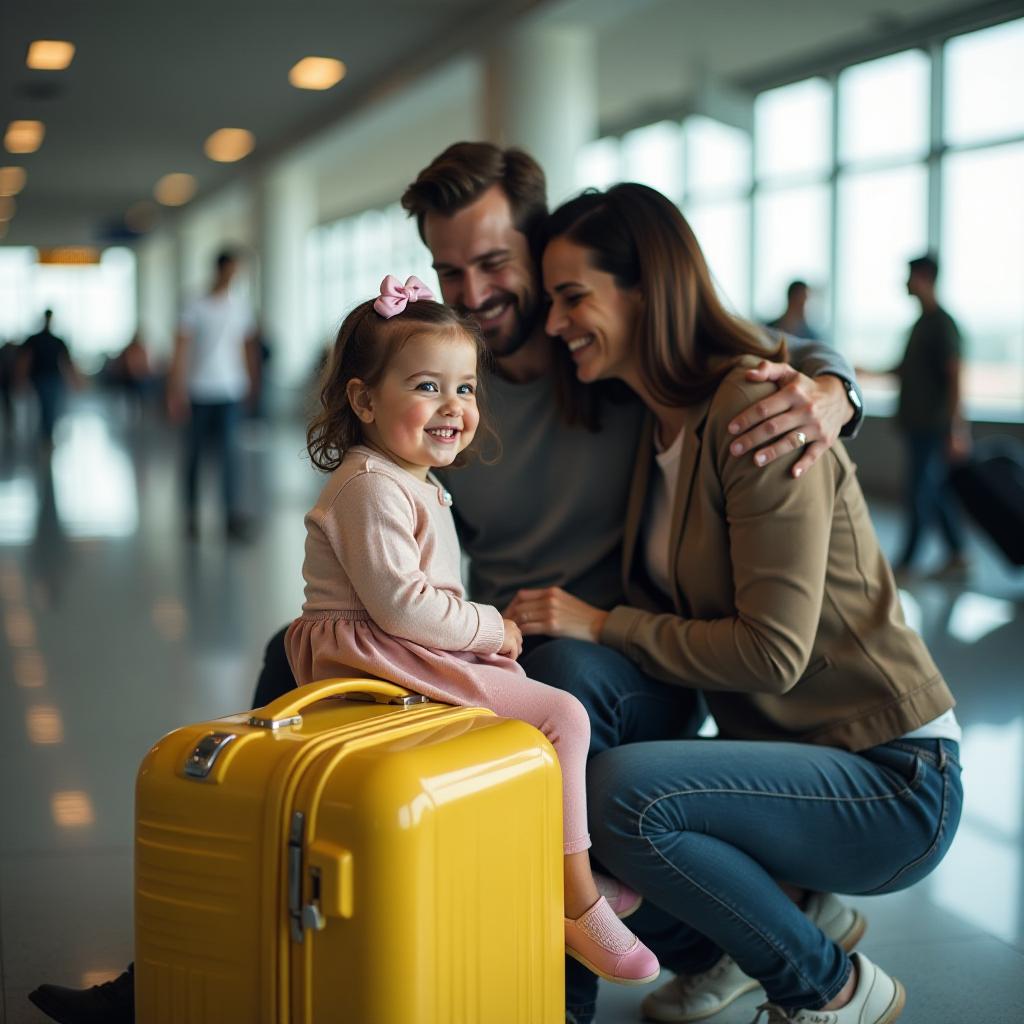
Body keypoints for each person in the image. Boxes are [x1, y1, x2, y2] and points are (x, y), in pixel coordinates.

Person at [27, 144, 868, 1024]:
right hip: (480, 633)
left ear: (543, 256)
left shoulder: (602, 353)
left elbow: (755, 348)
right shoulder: (439, 374)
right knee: (292, 673)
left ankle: (557, 995)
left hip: (607, 654)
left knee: (560, 693)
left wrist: (831, 388)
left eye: (494, 262)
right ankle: (172, 971)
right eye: (448, 268)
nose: (470, 291)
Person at [521, 182, 962, 1024]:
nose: (553, 323)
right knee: (578, 726)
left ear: (649, 288)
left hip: (894, 773)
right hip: (794, 753)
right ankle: (785, 921)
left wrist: (600, 622)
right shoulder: (656, 428)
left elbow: (771, 654)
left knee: (620, 794)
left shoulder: (757, 409)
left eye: (573, 296)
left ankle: (829, 986)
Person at [286, 275, 659, 982]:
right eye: (428, 386)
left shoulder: (410, 476)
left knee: (523, 724)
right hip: (377, 660)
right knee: (562, 716)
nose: (453, 407)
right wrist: (491, 627)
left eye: (466, 389)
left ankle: (548, 873)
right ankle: (576, 900)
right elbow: (401, 605)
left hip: (397, 652)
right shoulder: (371, 484)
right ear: (364, 400)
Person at [167, 248, 259, 541]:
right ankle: (191, 516)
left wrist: (251, 381)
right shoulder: (194, 304)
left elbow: (246, 346)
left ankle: (231, 517)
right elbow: (181, 348)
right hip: (198, 390)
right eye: (231, 270)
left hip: (231, 390)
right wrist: (176, 389)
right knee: (194, 455)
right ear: (220, 269)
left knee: (231, 455)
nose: (234, 276)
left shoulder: (240, 306)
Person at [891, 254, 969, 579]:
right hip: (917, 425)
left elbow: (955, 377)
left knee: (919, 492)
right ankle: (958, 554)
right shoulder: (922, 324)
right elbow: (907, 371)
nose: (905, 282)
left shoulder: (941, 324)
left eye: (910, 276)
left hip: (933, 426)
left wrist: (956, 428)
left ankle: (907, 562)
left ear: (924, 277)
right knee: (932, 491)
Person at [21, 310, 80, 447]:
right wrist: (20, 379)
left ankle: (46, 435)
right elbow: (25, 360)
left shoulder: (56, 341)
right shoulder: (35, 340)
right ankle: (46, 435)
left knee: (50, 407)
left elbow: (67, 362)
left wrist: (75, 380)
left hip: (52, 378)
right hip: (40, 378)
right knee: (46, 406)